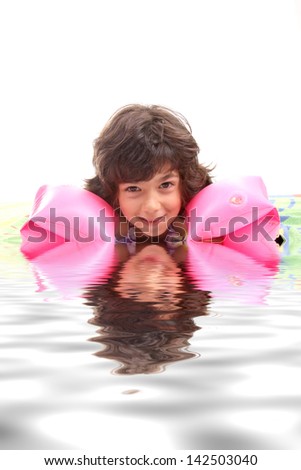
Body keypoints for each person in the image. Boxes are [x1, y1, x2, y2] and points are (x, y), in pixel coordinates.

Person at [84, 104, 213, 244]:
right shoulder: (101, 233)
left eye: (165, 185)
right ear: (114, 194)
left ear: (184, 185)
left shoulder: (209, 228)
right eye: (133, 188)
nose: (151, 206)